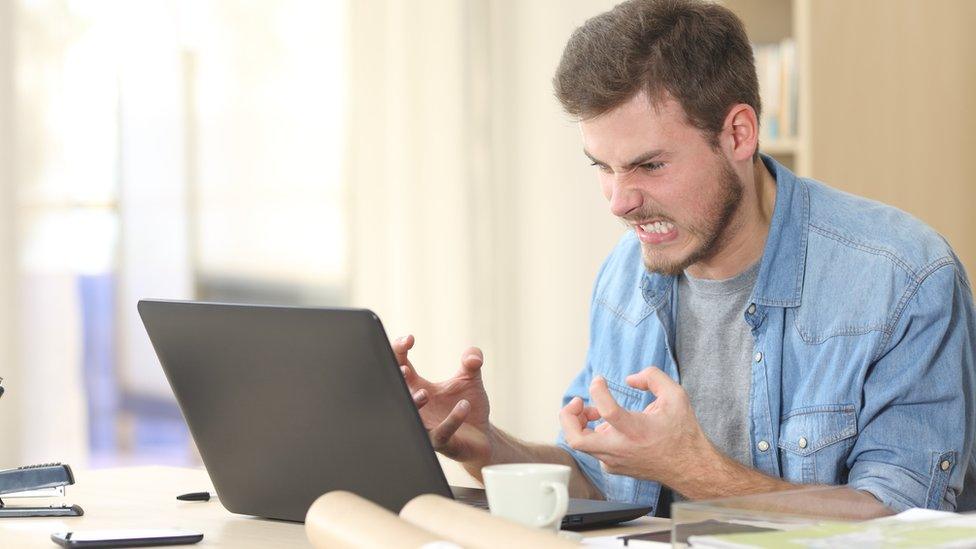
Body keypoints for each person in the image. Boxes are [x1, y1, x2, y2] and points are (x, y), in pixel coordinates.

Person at [393, 0, 976, 515]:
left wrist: (693, 469)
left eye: (650, 165)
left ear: (739, 134)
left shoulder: (902, 278)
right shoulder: (627, 274)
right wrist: (487, 446)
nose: (620, 202)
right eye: (603, 166)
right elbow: (600, 482)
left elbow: (904, 525)